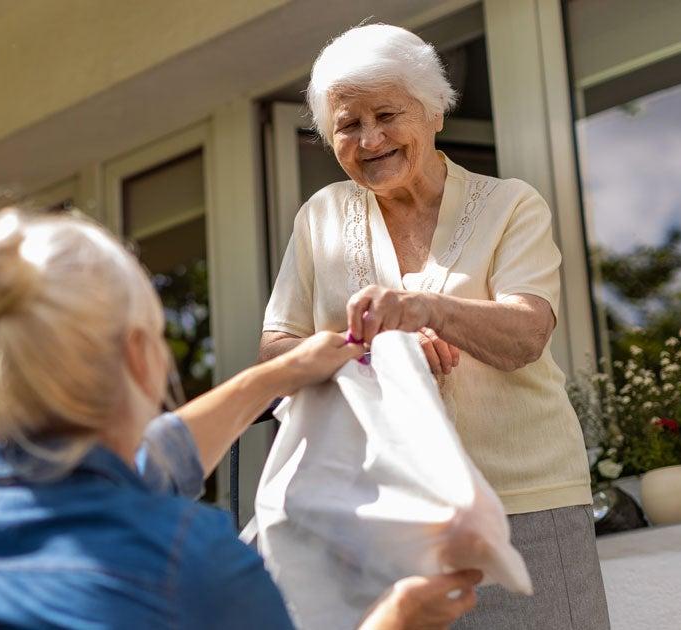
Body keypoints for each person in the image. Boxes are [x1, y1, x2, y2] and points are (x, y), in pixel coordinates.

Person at [0, 209, 482, 629]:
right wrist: (399, 619)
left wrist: (281, 374)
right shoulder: (189, 559)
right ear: (141, 355)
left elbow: (145, 462)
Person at [260, 24, 609, 629]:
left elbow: (526, 334)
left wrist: (427, 309)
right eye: (348, 124)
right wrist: (370, 353)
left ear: (435, 112)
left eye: (387, 114)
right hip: (379, 515)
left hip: (522, 502)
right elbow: (276, 351)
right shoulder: (320, 218)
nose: (369, 139)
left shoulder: (511, 206)